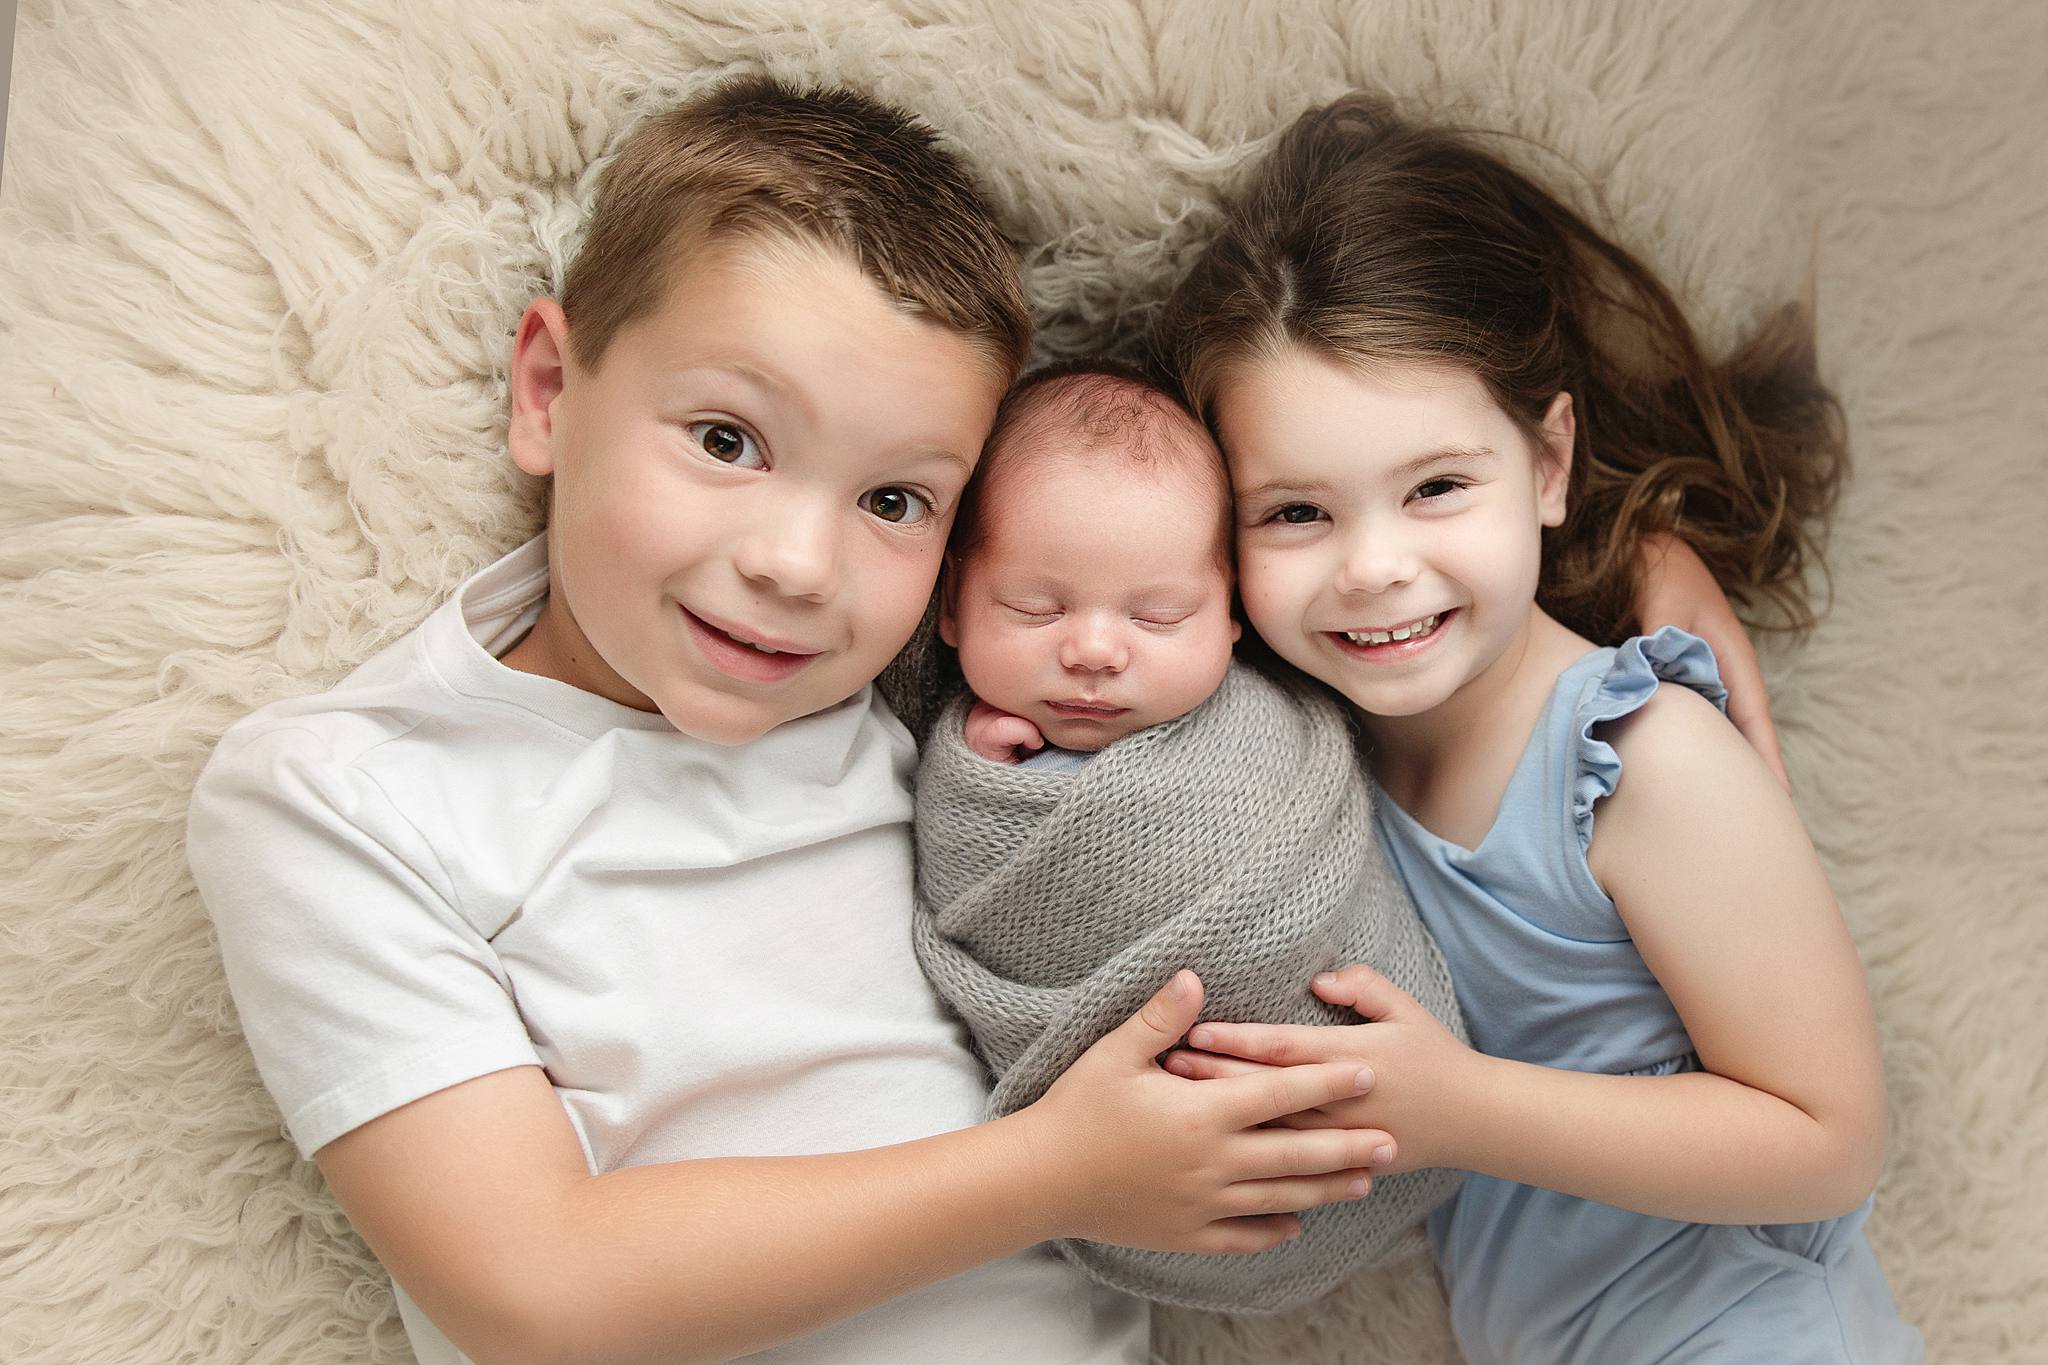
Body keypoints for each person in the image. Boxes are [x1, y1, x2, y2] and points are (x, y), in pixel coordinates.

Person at [180, 78, 1407, 1365]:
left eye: (893, 502)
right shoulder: (345, 792)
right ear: (547, 391)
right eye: (725, 438)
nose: (799, 566)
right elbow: (531, 1287)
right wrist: (1049, 1173)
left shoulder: (929, 708)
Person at [1156, 95, 1923, 1361]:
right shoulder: (1310, 756)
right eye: (1294, 513)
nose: (1373, 570)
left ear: (1550, 464)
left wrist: (1456, 1109)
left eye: (1437, 488)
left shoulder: (1638, 763)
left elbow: (1827, 1141)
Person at [913, 362, 1467, 1313]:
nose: (1093, 649)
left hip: (1392, 1085)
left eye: (1159, 614)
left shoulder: (1266, 721)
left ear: (1234, 616)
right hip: (1140, 1167)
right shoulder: (954, 758)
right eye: (1034, 608)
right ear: (953, 604)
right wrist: (973, 773)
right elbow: (974, 896)